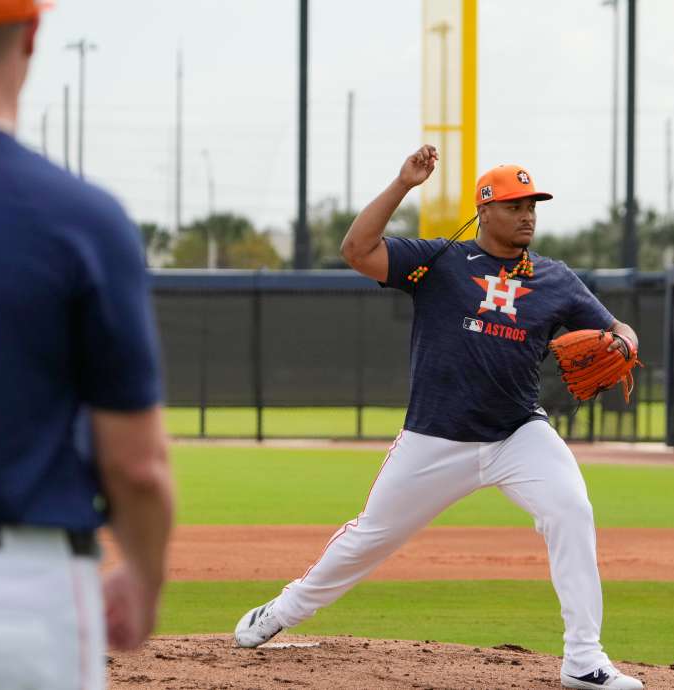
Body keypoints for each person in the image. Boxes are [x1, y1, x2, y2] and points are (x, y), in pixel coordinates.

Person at [235, 146, 644, 690]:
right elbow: (357, 249)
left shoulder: (555, 278)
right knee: (369, 538)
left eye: (533, 205)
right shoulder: (440, 261)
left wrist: (622, 341)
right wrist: (403, 184)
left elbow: (619, 327)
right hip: (435, 437)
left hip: (518, 432)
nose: (527, 214)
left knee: (572, 512)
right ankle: (283, 612)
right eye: (516, 204)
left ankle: (583, 661)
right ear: (485, 210)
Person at [0, 1, 174, 688]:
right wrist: (142, 576)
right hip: (29, 594)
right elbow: (136, 467)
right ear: (32, 33)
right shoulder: (83, 218)